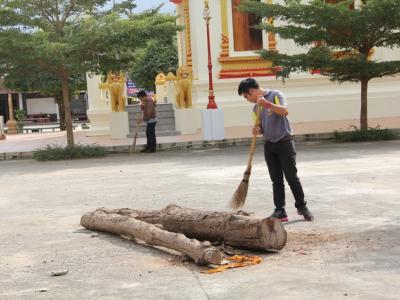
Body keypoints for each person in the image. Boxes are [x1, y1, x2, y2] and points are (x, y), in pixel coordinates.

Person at [238, 78, 314, 222]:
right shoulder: (255, 108)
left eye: (246, 96)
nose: (247, 100)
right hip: (269, 145)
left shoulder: (276, 95)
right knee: (276, 180)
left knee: (292, 177)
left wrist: (267, 104)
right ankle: (280, 211)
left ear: (251, 91)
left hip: (285, 142)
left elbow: (284, 111)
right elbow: (260, 127)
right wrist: (257, 129)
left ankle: (302, 206)